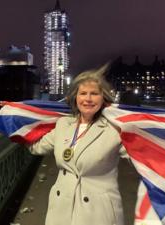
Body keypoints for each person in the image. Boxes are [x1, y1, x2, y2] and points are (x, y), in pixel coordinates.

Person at [28, 65, 124, 225]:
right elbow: (37, 147)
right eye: (83, 93)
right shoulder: (63, 124)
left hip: (98, 212)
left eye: (94, 94)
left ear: (103, 98)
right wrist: (15, 124)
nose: (88, 99)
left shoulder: (115, 129)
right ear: (75, 97)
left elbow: (142, 152)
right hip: (61, 209)